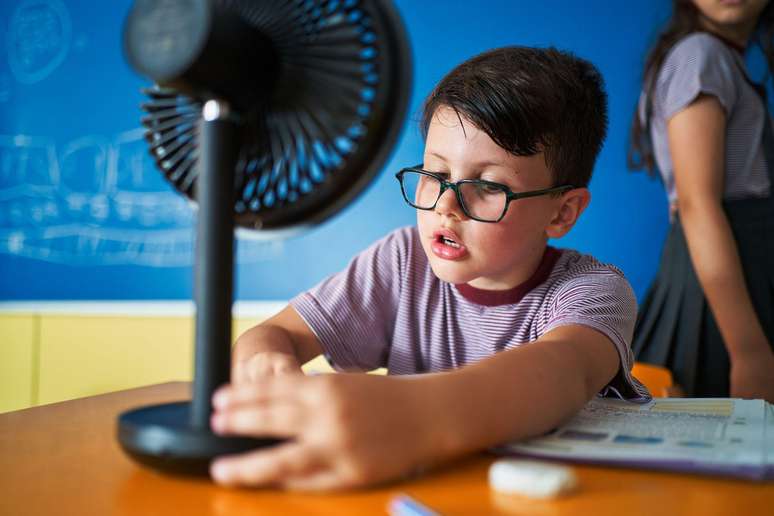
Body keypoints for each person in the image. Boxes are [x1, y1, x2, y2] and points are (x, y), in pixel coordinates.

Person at [210, 46, 649, 491]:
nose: (445, 205)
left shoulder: (593, 291)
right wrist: (269, 368)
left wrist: (416, 418)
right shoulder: (401, 263)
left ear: (562, 213)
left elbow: (563, 372)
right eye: (435, 175)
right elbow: (270, 336)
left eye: (487, 186)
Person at [629, 0, 774, 400]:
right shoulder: (700, 55)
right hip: (725, 283)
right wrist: (749, 353)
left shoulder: (721, 58)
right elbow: (697, 204)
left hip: (733, 270)